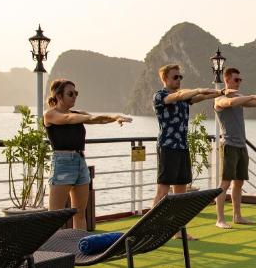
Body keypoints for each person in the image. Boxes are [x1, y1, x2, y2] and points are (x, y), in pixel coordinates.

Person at [44, 79, 132, 230]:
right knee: (54, 216)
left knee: (80, 213)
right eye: (70, 94)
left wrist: (115, 117)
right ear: (58, 96)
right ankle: (52, 245)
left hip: (80, 162)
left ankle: (80, 244)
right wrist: (89, 117)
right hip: (62, 164)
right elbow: (68, 119)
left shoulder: (78, 114)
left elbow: (98, 119)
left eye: (76, 93)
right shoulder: (50, 115)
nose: (74, 96)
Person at [152, 64, 222, 239]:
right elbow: (178, 96)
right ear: (165, 79)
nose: (179, 80)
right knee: (163, 190)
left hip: (182, 147)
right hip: (168, 147)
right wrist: (197, 89)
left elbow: (200, 97)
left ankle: (178, 230)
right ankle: (149, 229)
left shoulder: (184, 98)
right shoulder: (160, 96)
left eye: (180, 77)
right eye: (175, 77)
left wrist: (220, 92)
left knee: (181, 193)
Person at [213, 67, 256, 229]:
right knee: (225, 183)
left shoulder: (240, 98)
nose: (239, 82)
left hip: (241, 146)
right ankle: (220, 219)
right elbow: (230, 102)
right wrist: (251, 96)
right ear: (227, 80)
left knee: (239, 183)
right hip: (229, 145)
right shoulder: (219, 99)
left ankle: (237, 216)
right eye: (236, 80)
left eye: (240, 80)